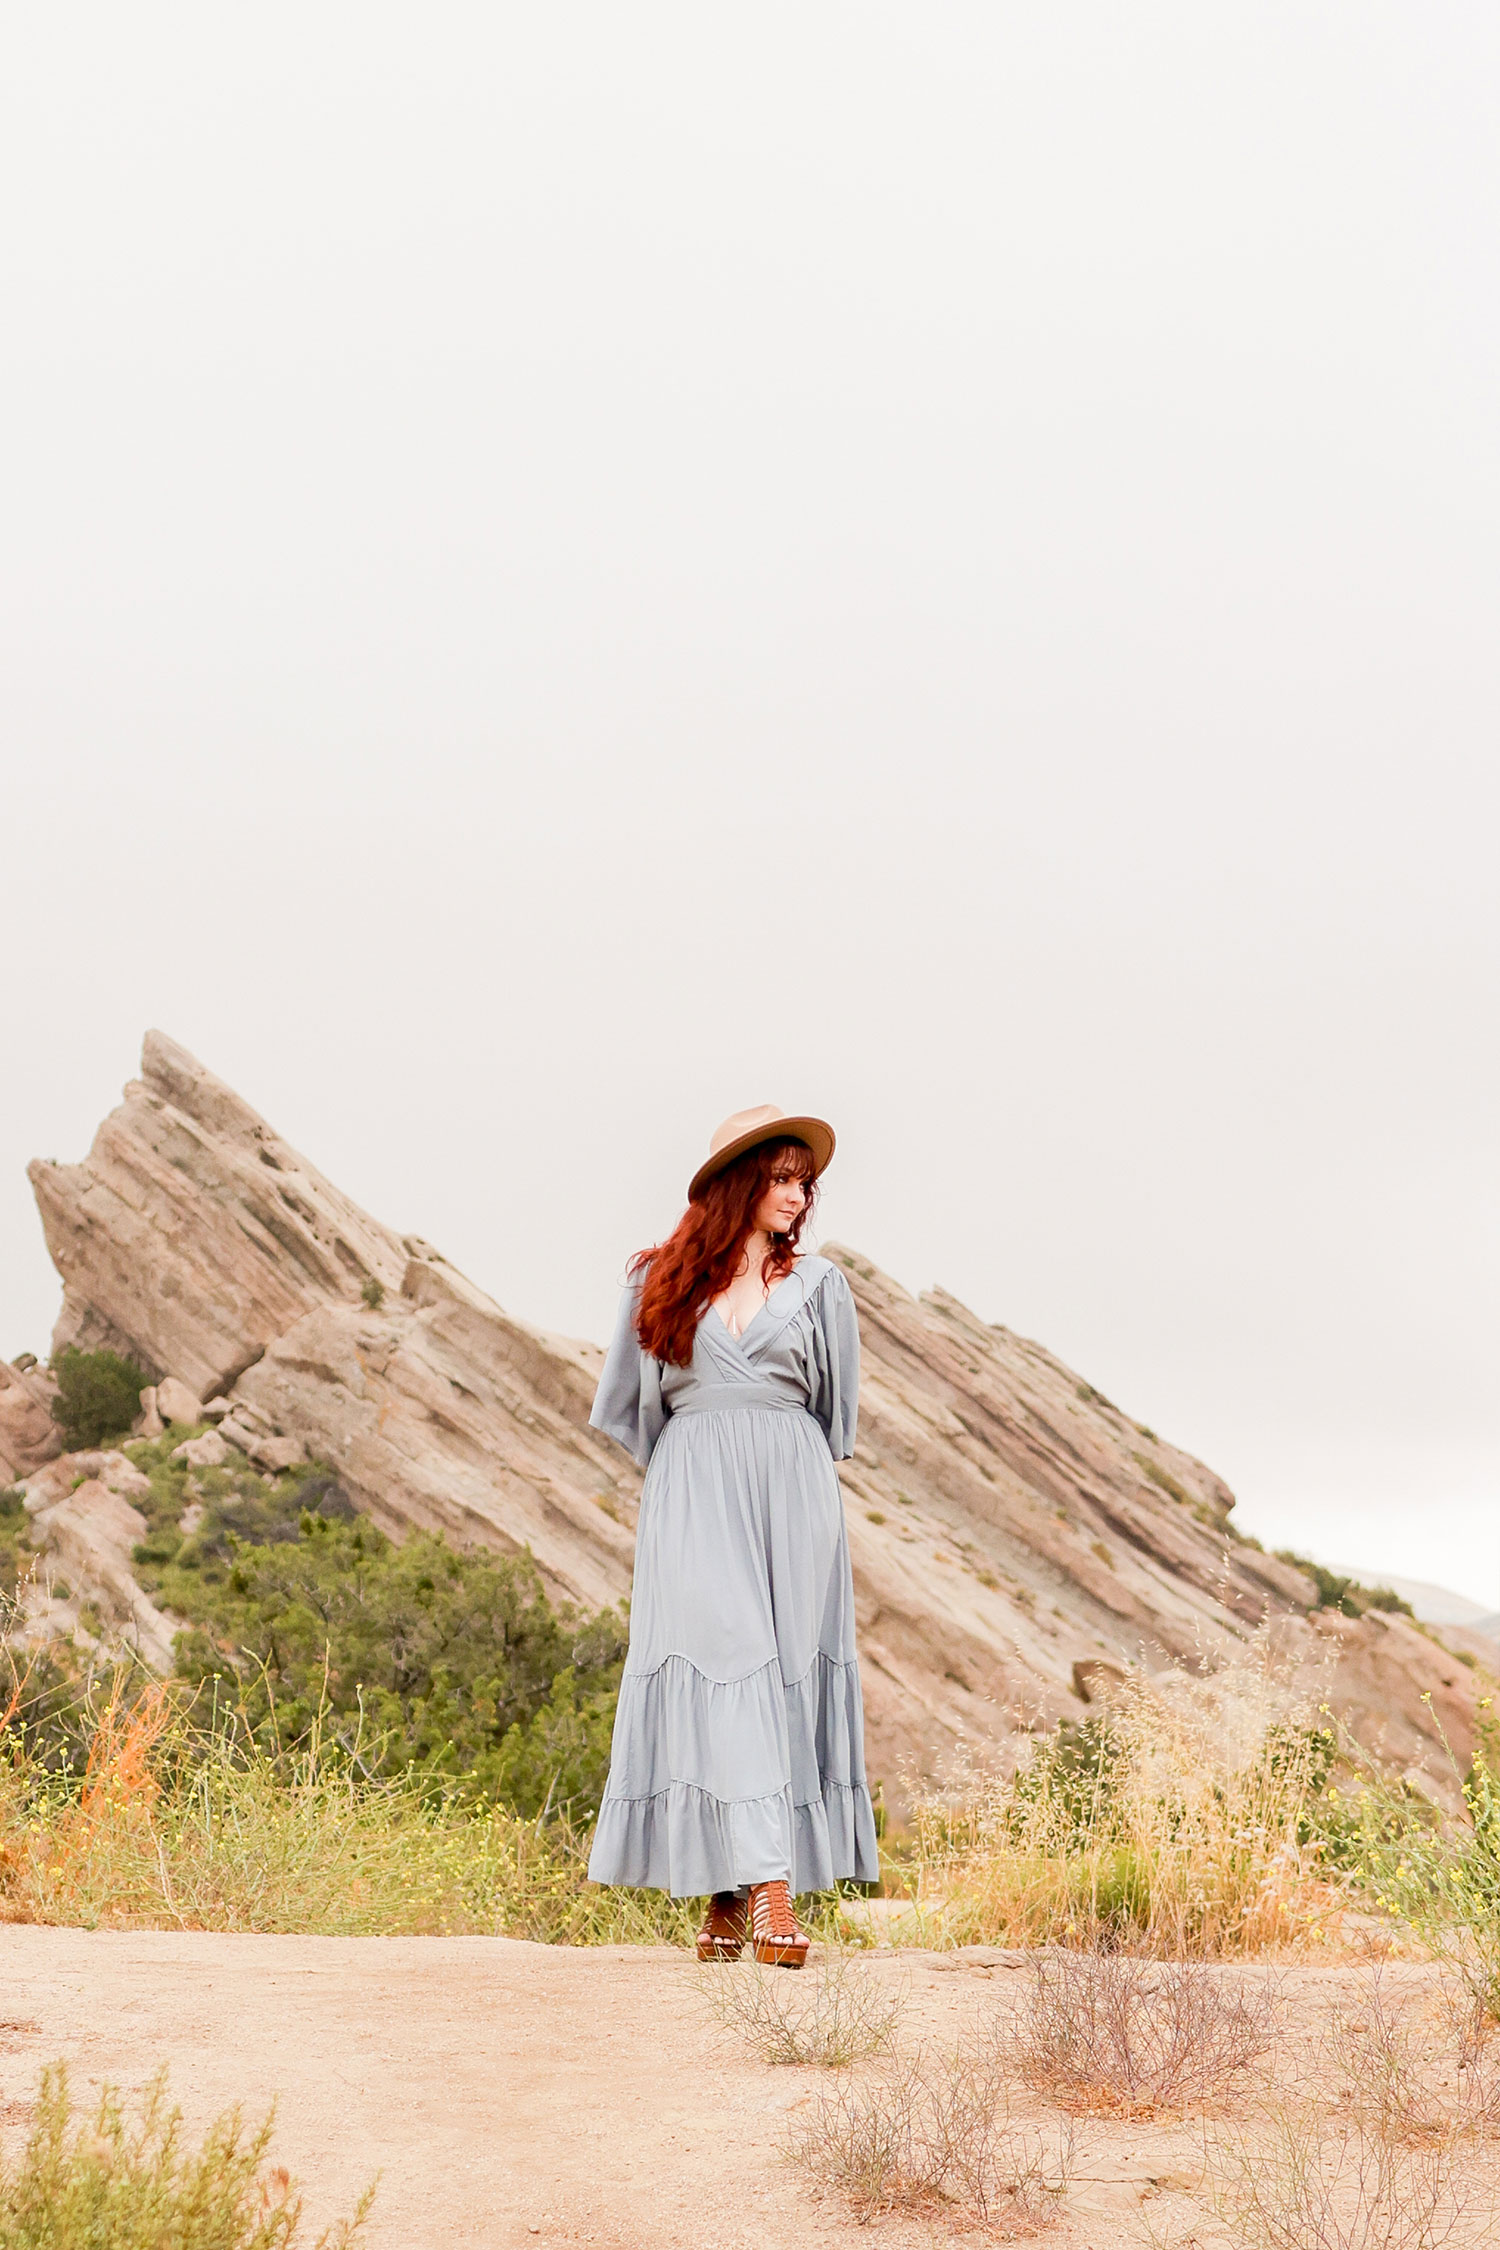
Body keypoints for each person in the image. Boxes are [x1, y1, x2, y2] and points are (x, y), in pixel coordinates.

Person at [587, 1104, 880, 1967]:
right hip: (693, 1487)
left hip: (792, 1488)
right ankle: (772, 1889)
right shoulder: (656, 1279)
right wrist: (700, 1460)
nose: (798, 1196)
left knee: (778, 1674)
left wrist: (772, 1454)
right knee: (731, 1660)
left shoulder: (821, 1286)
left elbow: (835, 1414)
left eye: (805, 1182)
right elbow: (631, 1408)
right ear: (738, 1183)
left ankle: (726, 1897)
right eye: (782, 1178)